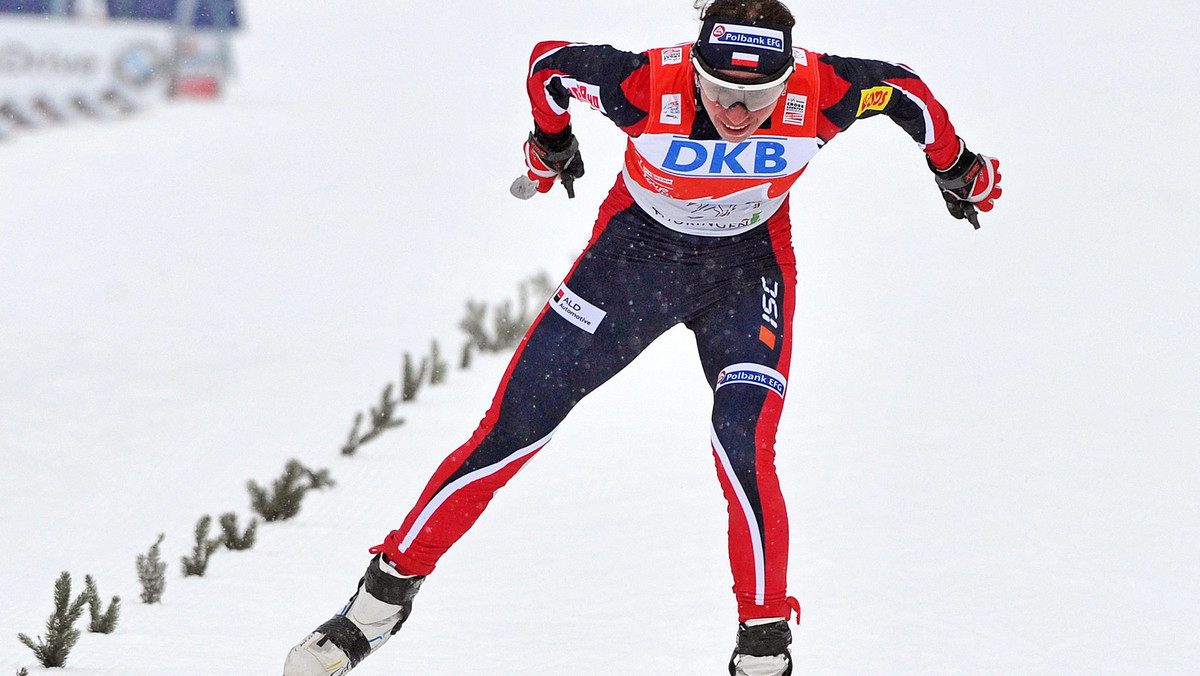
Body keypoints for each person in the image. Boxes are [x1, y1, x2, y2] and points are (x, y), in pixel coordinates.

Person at [283, 1, 1002, 674]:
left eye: (757, 100)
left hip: (744, 274)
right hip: (628, 267)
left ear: (789, 77)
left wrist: (956, 166)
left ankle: (763, 650)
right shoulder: (642, 84)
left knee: (742, 444)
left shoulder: (823, 89)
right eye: (719, 91)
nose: (735, 114)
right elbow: (548, 66)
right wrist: (551, 142)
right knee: (514, 428)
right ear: (694, 67)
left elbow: (906, 93)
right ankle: (379, 601)